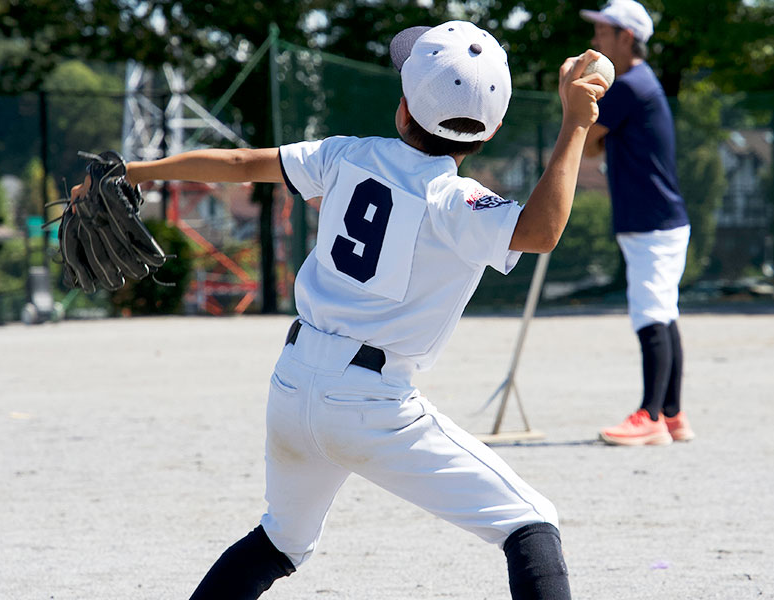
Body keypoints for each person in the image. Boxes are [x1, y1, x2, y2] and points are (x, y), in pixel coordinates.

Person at [73, 21, 608, 599]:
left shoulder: (344, 156)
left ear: (403, 108)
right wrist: (576, 120)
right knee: (531, 522)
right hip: (372, 405)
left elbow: (237, 162)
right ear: (493, 129)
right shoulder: (458, 200)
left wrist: (133, 171)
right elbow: (542, 229)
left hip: (293, 381)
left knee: (281, 542)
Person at [579, 0, 695, 446]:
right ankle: (671, 415)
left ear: (626, 37)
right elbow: (592, 147)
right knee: (663, 314)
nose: (595, 41)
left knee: (651, 314)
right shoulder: (639, 84)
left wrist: (576, 94)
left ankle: (649, 416)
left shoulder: (629, 87)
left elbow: (585, 140)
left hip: (651, 223)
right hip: (657, 221)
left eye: (603, 32)